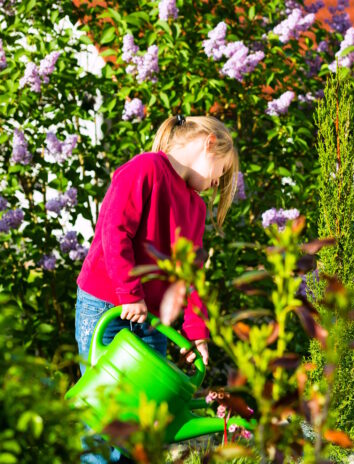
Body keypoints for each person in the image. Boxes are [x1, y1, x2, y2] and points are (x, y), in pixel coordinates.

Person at [74, 115, 239, 463]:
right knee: (103, 410)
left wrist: (197, 333)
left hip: (149, 318)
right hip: (106, 303)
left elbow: (189, 274)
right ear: (208, 143)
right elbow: (115, 231)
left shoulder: (195, 206)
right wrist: (130, 293)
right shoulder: (146, 169)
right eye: (221, 172)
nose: (216, 182)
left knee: (145, 415)